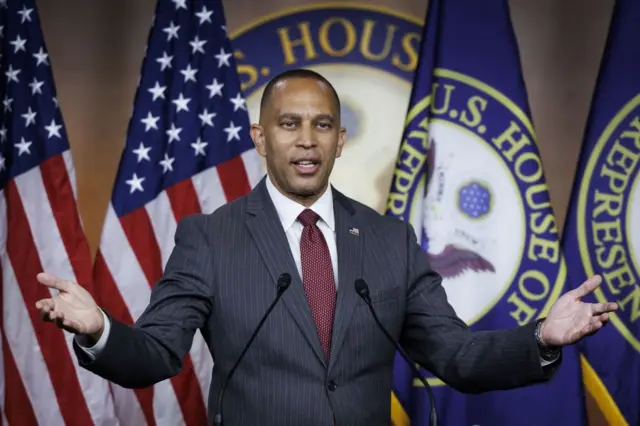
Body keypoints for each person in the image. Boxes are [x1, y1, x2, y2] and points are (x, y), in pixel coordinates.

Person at [35, 69, 617, 426]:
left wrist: (540, 337)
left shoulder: (390, 240)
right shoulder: (209, 237)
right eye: (289, 124)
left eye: (322, 125)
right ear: (261, 138)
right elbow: (158, 352)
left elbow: (455, 356)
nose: (306, 140)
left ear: (341, 139)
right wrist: (99, 331)